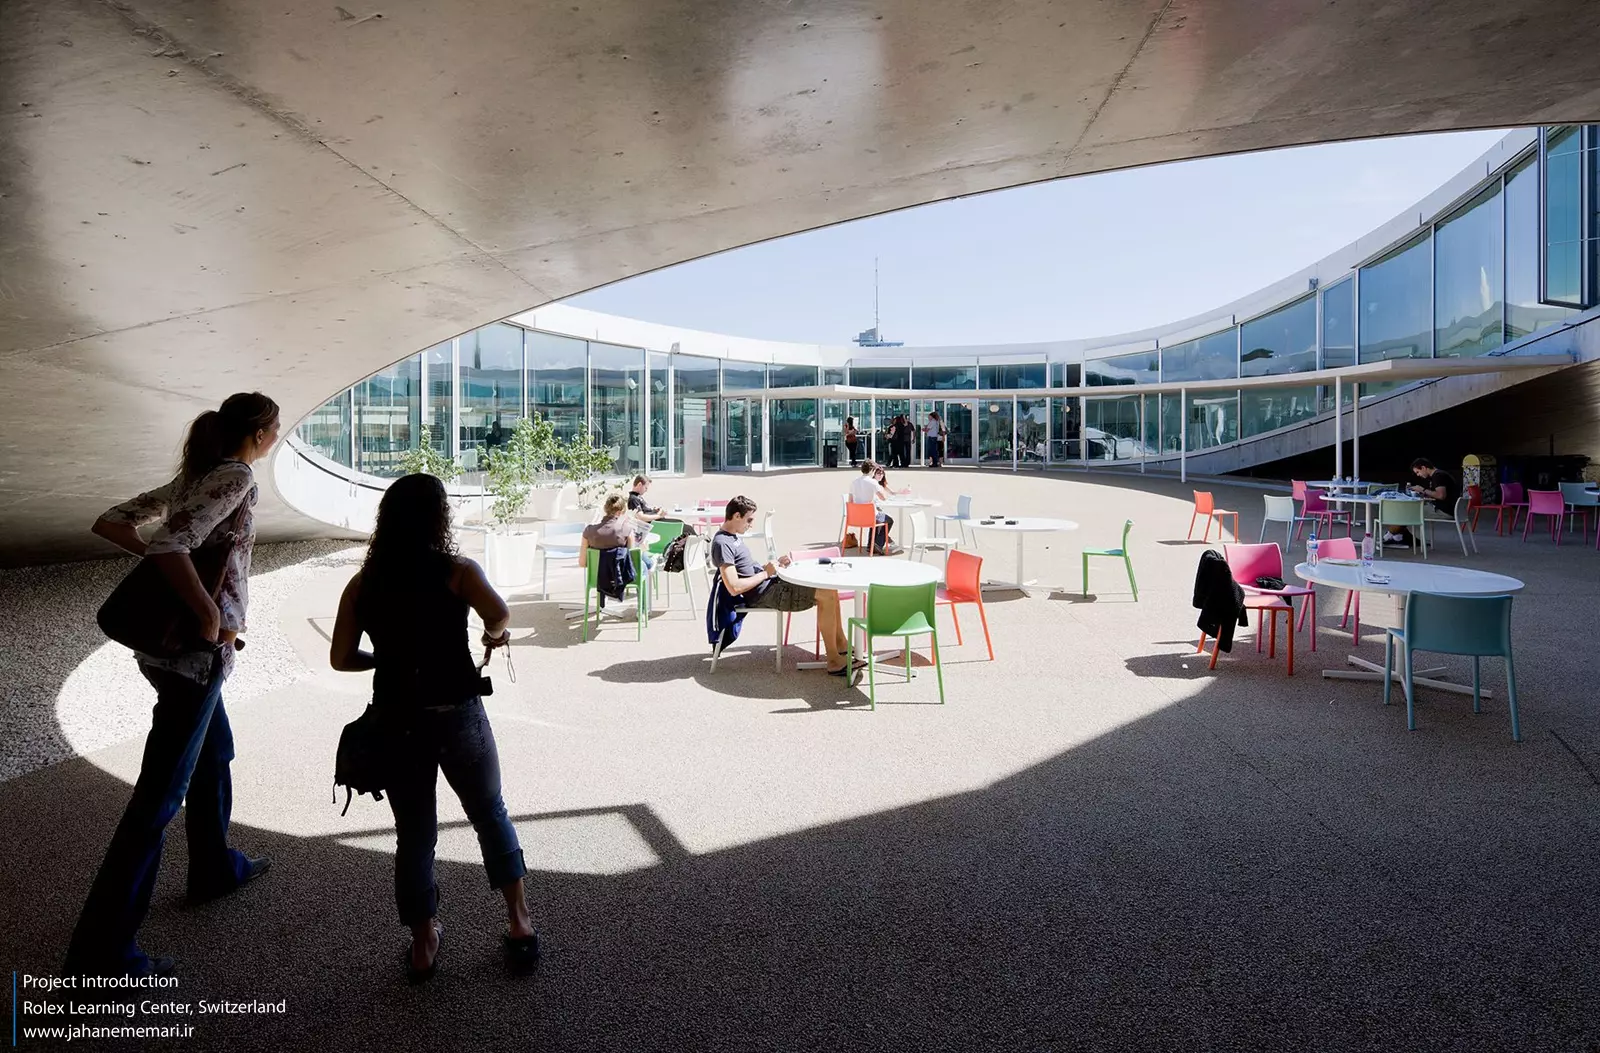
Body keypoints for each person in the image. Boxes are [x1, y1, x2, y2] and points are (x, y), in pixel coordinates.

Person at [65, 392, 281, 978]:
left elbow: (113, 521)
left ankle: (215, 868)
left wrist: (166, 573)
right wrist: (207, 613)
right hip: (194, 654)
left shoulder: (196, 476)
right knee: (155, 803)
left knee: (216, 754)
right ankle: (100, 959)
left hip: (165, 654)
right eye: (276, 426)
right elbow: (170, 543)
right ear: (260, 431)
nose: (278, 434)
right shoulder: (236, 476)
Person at [328, 473, 538, 984]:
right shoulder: (457, 571)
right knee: (490, 813)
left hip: (397, 719)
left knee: (415, 836)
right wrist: (495, 634)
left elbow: (339, 658)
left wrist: (383, 659)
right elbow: (499, 614)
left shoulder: (363, 584)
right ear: (437, 518)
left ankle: (423, 945)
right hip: (457, 711)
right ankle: (519, 923)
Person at [711, 496, 857, 678]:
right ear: (737, 516)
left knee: (830, 589)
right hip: (766, 594)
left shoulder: (732, 538)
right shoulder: (722, 544)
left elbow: (746, 573)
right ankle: (834, 661)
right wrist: (766, 573)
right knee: (826, 594)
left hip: (770, 586)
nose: (751, 525)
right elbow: (734, 587)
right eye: (749, 520)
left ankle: (841, 644)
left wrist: (772, 566)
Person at [1385, 457, 1458, 544]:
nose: (1418, 475)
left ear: (1423, 468)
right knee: (1407, 510)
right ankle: (1398, 537)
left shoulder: (1439, 476)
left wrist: (1422, 489)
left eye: (1418, 472)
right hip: (1447, 509)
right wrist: (1425, 495)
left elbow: (1441, 495)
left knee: (1405, 512)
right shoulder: (1439, 475)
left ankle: (1388, 536)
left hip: (1443, 511)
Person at [581, 491, 653, 577]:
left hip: (598, 578)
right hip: (620, 578)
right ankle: (640, 589)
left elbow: (582, 563)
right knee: (645, 564)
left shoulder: (588, 531)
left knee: (646, 561)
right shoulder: (626, 530)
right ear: (620, 512)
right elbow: (632, 560)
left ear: (605, 509)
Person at [850, 461, 897, 555]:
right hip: (870, 516)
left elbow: (850, 501)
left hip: (856, 517)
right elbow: (883, 498)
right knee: (888, 520)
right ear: (872, 470)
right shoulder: (873, 482)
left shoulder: (854, 482)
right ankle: (878, 545)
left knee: (877, 518)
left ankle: (870, 545)